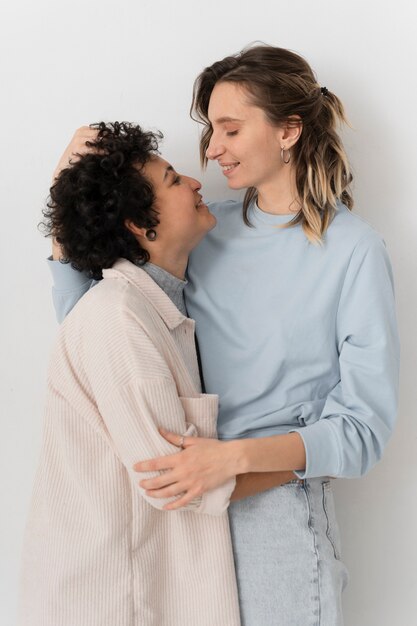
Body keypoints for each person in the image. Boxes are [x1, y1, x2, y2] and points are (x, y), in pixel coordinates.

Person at [46, 45, 400, 626]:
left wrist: (231, 461)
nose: (211, 149)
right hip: (184, 511)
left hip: (273, 517)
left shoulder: (354, 251)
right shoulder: (202, 227)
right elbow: (95, 324)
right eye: (211, 129)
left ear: (289, 130)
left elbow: (363, 430)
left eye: (230, 129)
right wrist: (67, 184)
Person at [19, 121, 244, 626]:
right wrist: (303, 460)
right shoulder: (118, 320)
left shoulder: (155, 307)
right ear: (141, 226)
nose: (194, 181)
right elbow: (175, 479)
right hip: (110, 597)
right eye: (172, 179)